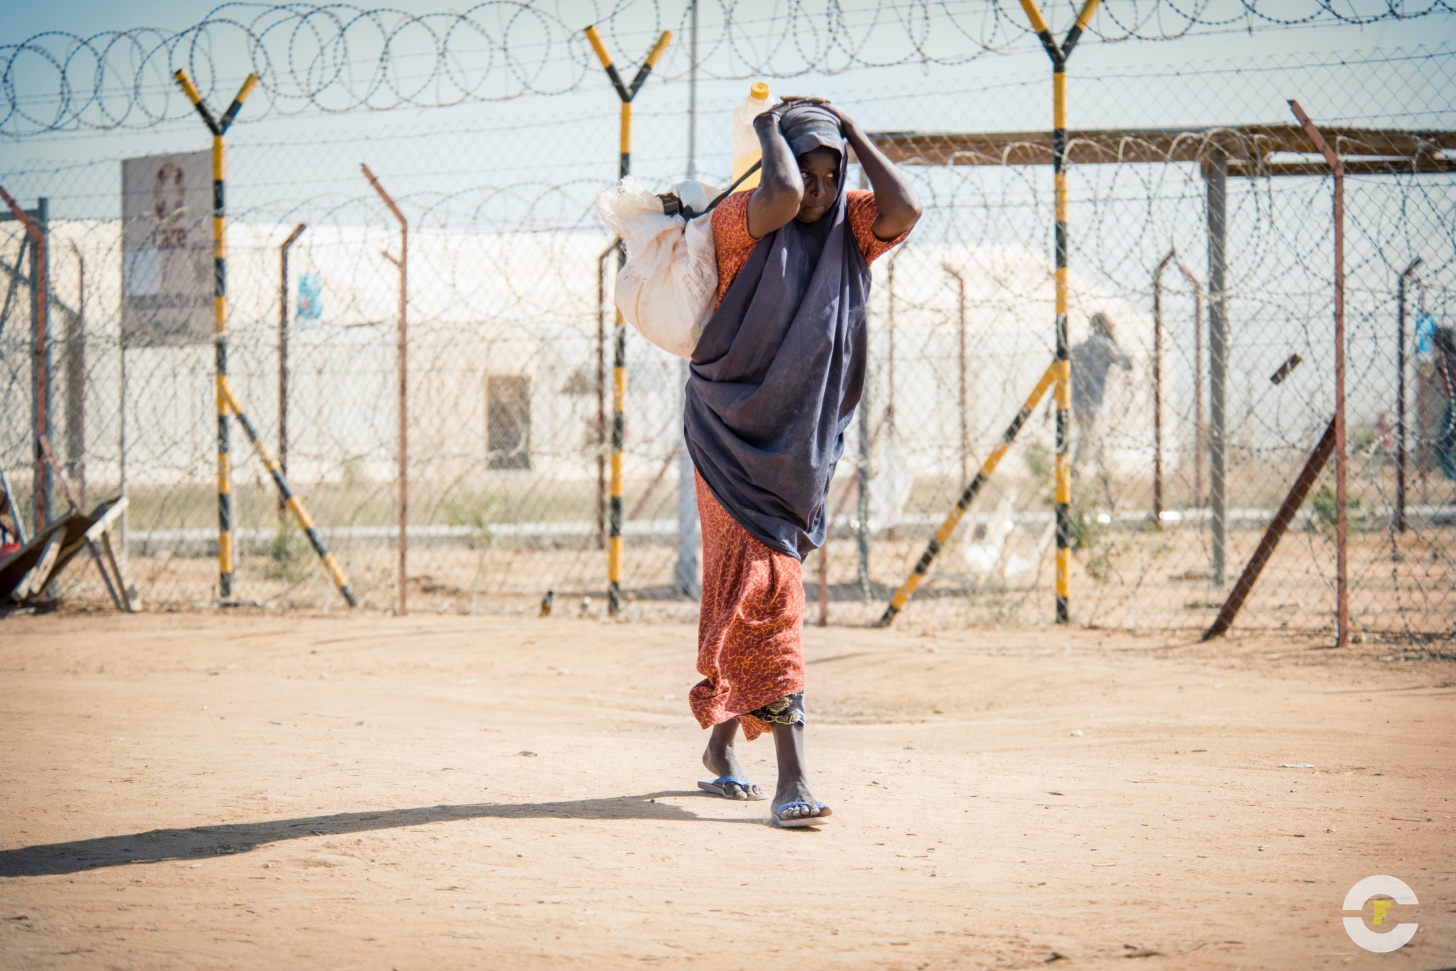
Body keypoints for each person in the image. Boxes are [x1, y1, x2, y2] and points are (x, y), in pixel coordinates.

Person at [684, 99, 919, 827]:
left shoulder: (851, 230)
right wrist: (765, 129)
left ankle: (722, 746)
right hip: (728, 438)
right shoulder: (743, 220)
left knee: (751, 595)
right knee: (770, 592)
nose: (817, 192)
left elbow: (904, 209)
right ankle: (794, 776)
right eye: (806, 173)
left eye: (831, 175)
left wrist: (851, 134)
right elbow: (781, 195)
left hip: (800, 448)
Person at [1070, 311, 1132, 504]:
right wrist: (1115, 341)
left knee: (1099, 452)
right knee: (1085, 452)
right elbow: (1126, 362)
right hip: (1096, 408)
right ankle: (1068, 495)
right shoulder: (1104, 346)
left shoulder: (1078, 349)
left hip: (1078, 406)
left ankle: (1110, 498)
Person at [1432, 326, 1456, 480]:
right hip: (1453, 403)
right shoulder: (1444, 361)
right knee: (1441, 445)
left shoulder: (1446, 361)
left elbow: (1449, 387)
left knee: (1441, 445)